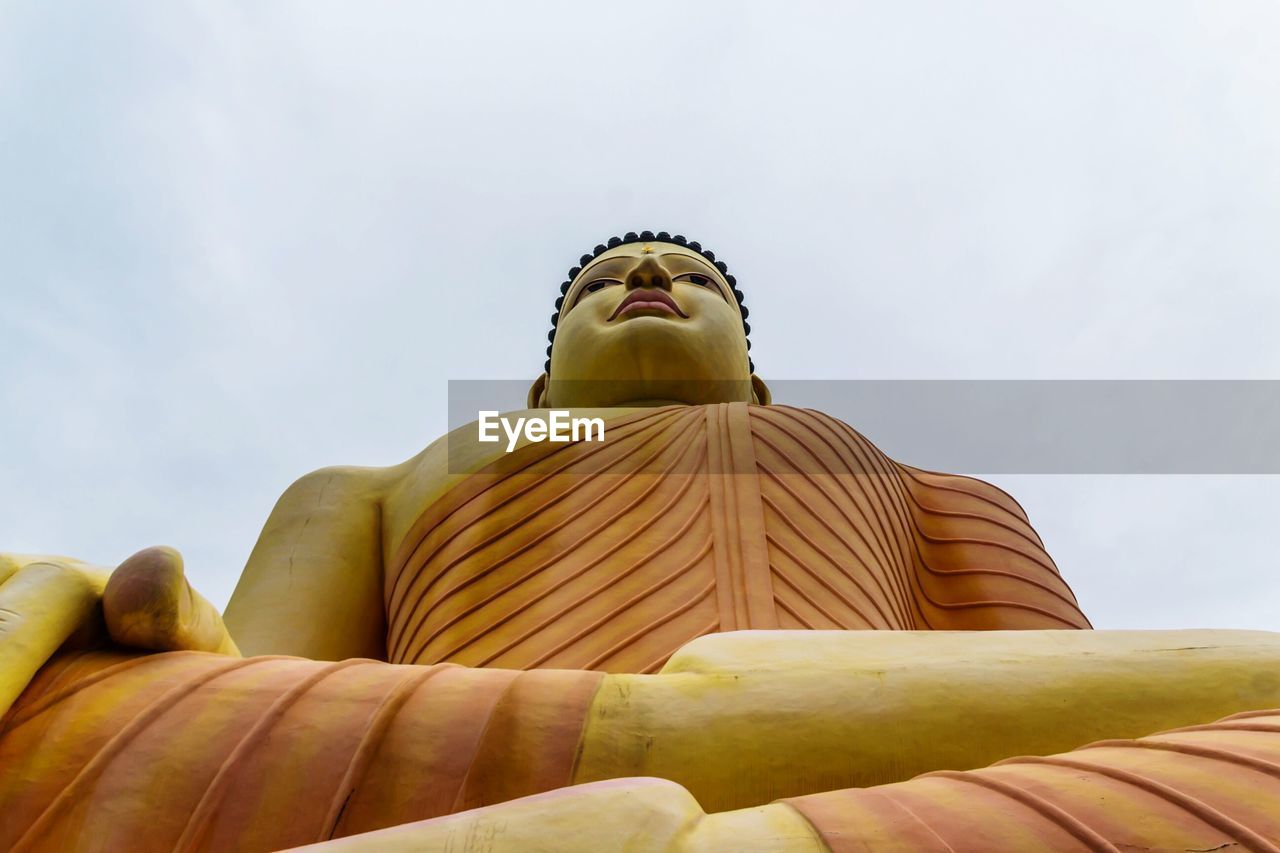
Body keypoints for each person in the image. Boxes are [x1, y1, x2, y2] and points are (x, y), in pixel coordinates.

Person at [2, 232, 1278, 851]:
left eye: (692, 277)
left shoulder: (934, 486)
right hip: (438, 760)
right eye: (601, 281)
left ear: (757, 378)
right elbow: (237, 694)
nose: (647, 277)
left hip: (914, 778)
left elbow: (1073, 707)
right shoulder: (377, 482)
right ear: (540, 363)